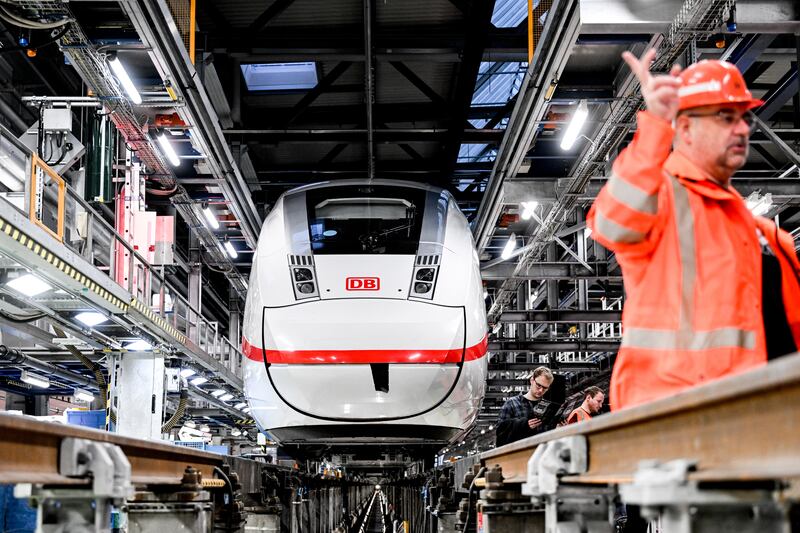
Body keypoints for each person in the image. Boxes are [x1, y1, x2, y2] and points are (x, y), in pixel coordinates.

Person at [587, 49, 800, 411]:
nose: (742, 128)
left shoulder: (765, 236)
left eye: (743, 117)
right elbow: (611, 223)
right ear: (684, 127)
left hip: (749, 415)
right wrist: (655, 125)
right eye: (725, 116)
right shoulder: (663, 199)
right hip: (667, 416)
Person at [495, 366, 554, 446]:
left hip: (543, 454)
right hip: (519, 455)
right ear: (532, 380)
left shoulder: (549, 408)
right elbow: (500, 431)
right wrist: (523, 424)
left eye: (545, 388)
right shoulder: (512, 404)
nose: (541, 390)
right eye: (539, 385)